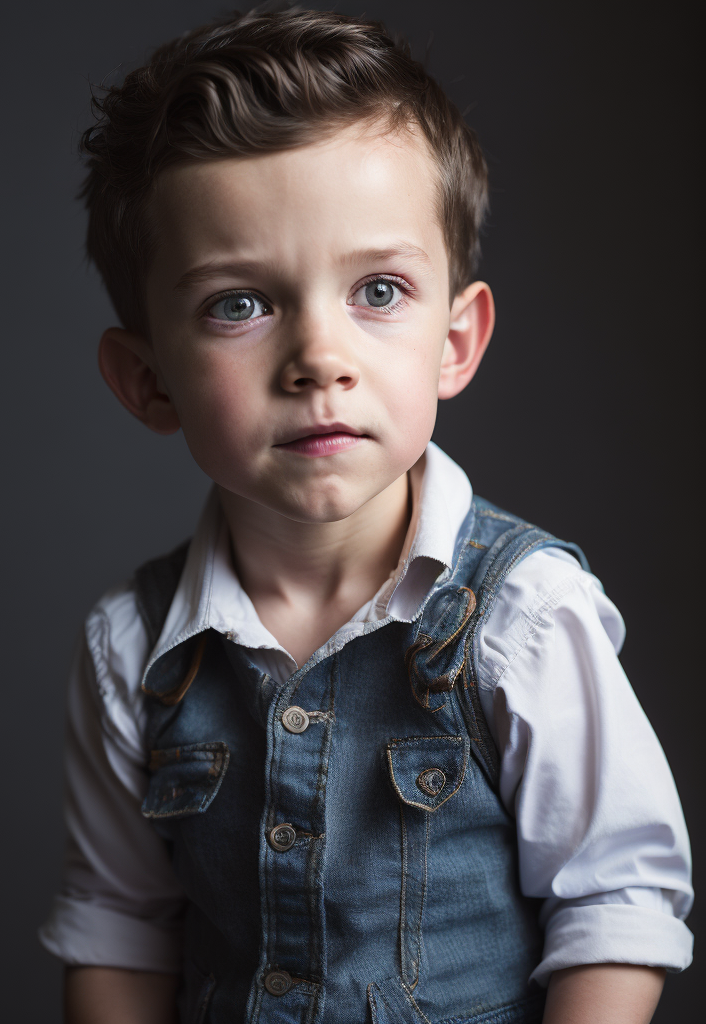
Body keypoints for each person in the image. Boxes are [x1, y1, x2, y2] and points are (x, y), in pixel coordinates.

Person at [39, 5, 693, 1022]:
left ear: (455, 341)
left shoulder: (522, 617)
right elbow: (119, 926)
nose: (317, 357)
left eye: (378, 290)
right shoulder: (134, 649)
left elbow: (617, 900)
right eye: (239, 304)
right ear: (147, 380)